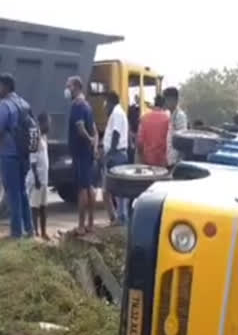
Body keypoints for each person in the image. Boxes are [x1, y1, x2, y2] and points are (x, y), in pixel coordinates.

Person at [0, 73, 33, 238]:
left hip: (9, 154)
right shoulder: (24, 104)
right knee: (22, 191)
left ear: (6, 87)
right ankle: (29, 229)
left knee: (13, 193)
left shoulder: (5, 105)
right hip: (23, 155)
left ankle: (16, 232)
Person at [66, 75, 98, 235]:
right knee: (90, 187)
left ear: (77, 87)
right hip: (88, 152)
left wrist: (90, 139)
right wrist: (94, 143)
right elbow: (93, 126)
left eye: (69, 86)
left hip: (80, 152)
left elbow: (80, 128)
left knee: (82, 189)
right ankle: (91, 223)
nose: (67, 90)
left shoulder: (77, 105)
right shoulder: (87, 105)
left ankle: (81, 225)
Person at [102, 91, 130, 225]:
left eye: (105, 102)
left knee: (118, 189)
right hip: (117, 154)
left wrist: (109, 155)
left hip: (117, 155)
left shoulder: (117, 114)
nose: (104, 106)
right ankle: (117, 218)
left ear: (110, 101)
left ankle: (120, 218)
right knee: (114, 189)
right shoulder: (116, 113)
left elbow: (116, 135)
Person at [26, 113, 50, 240]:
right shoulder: (35, 136)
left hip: (44, 178)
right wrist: (36, 179)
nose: (50, 125)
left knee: (44, 206)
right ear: (42, 122)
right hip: (38, 179)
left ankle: (44, 232)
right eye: (48, 122)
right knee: (34, 207)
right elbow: (33, 160)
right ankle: (35, 232)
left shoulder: (44, 137)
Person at [136, 94, 170, 167]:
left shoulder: (144, 118)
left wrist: (141, 158)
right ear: (164, 105)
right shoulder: (168, 119)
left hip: (147, 160)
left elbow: (140, 142)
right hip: (162, 162)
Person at [164, 87, 188, 166]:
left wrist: (178, 162)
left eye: (167, 100)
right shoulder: (170, 115)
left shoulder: (180, 116)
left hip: (176, 161)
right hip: (170, 158)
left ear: (174, 100)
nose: (165, 102)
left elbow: (182, 141)